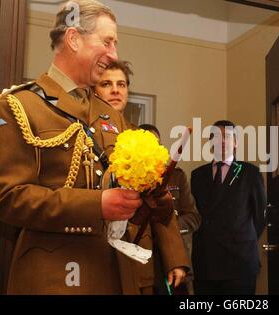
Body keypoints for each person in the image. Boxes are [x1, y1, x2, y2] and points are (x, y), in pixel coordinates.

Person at [0, 0, 188, 294]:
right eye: (107, 41)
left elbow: (136, 196)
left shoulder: (112, 115)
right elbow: (9, 197)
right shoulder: (18, 106)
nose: (114, 54)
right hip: (53, 278)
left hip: (116, 273)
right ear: (74, 39)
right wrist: (96, 205)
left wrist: (153, 196)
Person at [93, 61, 189, 294]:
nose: (116, 90)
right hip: (95, 251)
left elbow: (159, 200)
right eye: (107, 84)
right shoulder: (81, 132)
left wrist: (174, 259)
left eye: (121, 84)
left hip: (136, 251)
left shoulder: (142, 140)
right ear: (94, 90)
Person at [190, 120, 267, 295]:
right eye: (216, 136)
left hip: (240, 263)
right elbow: (194, 215)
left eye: (228, 136)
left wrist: (239, 238)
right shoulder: (197, 176)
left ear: (236, 143)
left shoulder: (250, 173)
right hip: (206, 262)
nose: (222, 141)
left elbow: (260, 216)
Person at [139, 123, 201, 295]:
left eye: (155, 144)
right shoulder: (128, 179)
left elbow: (193, 217)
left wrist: (168, 225)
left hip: (174, 260)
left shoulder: (176, 176)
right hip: (142, 262)